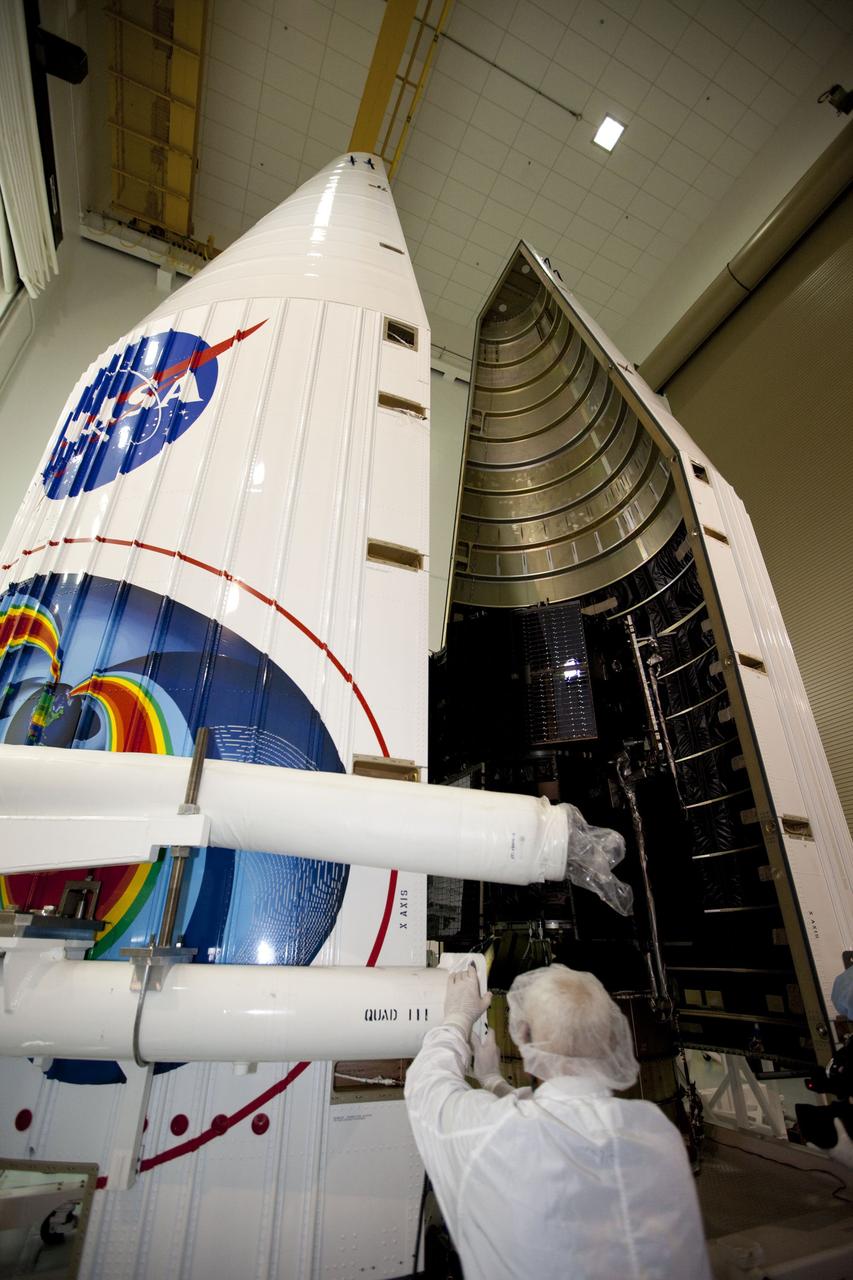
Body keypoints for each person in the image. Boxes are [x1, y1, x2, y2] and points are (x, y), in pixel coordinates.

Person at [405, 962, 711, 1280]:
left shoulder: (494, 1135)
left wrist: (457, 1017)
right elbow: (563, 1116)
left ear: (524, 1036)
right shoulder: (656, 1131)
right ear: (608, 1036)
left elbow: (426, 1088)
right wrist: (494, 1081)